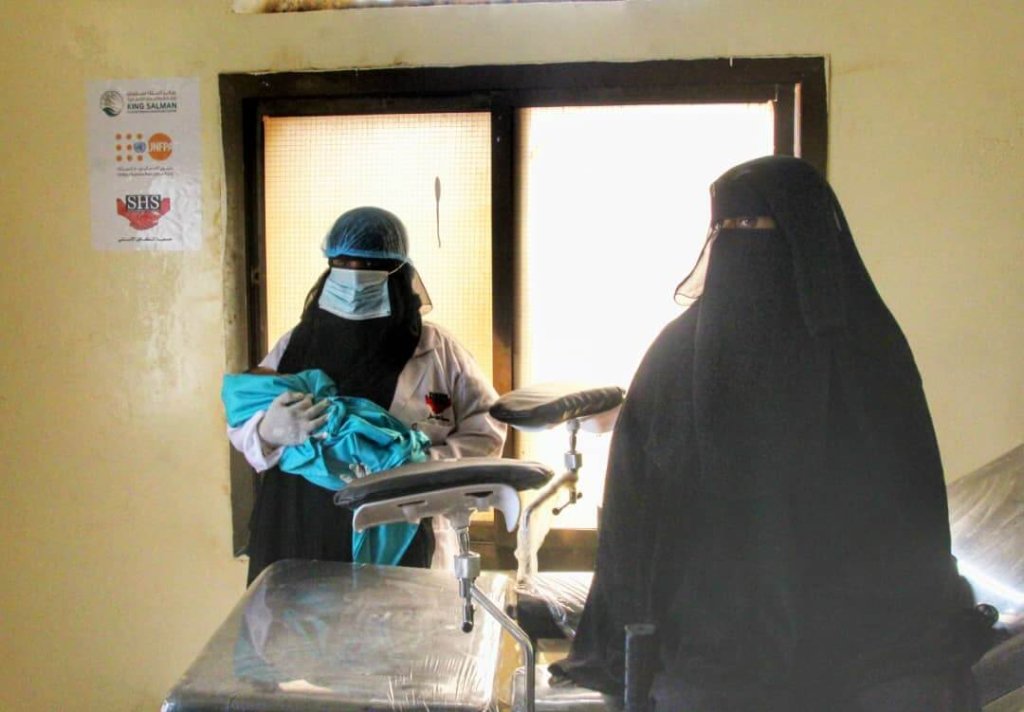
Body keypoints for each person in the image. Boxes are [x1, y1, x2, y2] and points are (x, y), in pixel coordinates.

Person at [552, 156, 986, 710]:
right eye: (725, 230)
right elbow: (631, 517)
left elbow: (915, 505)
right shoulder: (674, 355)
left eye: (754, 227)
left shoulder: (868, 352)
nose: (737, 243)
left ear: (806, 237)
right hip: (708, 647)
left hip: (869, 643)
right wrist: (633, 638)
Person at [228, 206, 506, 585]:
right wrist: (267, 432)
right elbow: (245, 413)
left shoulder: (436, 349)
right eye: (343, 265)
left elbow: (487, 429)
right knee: (297, 639)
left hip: (402, 524)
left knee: (396, 634)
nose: (355, 277)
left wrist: (425, 465)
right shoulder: (296, 344)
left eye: (369, 267)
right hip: (301, 529)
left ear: (399, 275)